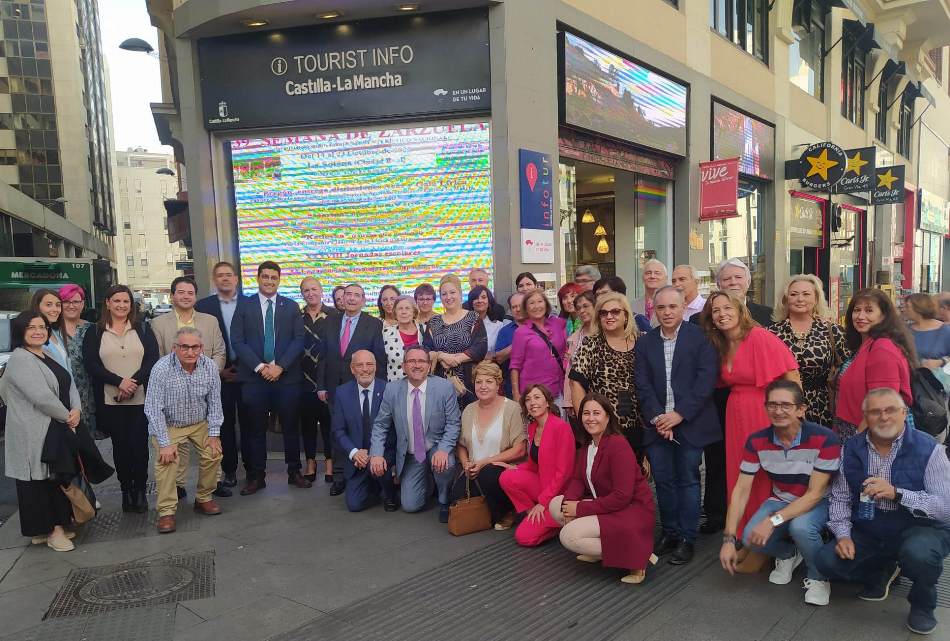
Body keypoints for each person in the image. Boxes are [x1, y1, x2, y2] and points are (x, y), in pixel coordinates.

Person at [816, 388, 950, 635]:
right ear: (865, 416)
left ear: (904, 413)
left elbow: (945, 508)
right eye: (875, 412)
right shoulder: (852, 448)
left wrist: (898, 493)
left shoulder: (930, 449)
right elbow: (840, 498)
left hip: (918, 527)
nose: (883, 417)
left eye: (890, 410)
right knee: (826, 561)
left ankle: (922, 605)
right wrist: (843, 535)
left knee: (920, 554)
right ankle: (883, 568)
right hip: (871, 527)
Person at [720, 380, 841, 605]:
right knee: (748, 537)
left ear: (801, 409)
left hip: (820, 502)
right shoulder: (756, 441)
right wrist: (728, 538)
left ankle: (818, 576)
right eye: (772, 405)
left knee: (801, 527)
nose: (778, 411)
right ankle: (788, 553)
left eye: (786, 405)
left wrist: (772, 521)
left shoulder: (825, 439)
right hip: (781, 499)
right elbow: (741, 490)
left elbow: (815, 494)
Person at [700, 289, 800, 542]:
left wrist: (792, 416)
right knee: (740, 473)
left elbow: (792, 374)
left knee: (765, 474)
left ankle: (768, 538)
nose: (722, 314)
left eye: (727, 308)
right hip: (735, 413)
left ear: (740, 310)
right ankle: (746, 535)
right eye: (716, 311)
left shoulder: (758, 337)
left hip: (763, 411)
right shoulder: (721, 345)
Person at [634, 286, 720, 565]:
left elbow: (705, 382)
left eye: (673, 307)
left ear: (684, 307)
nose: (667, 312)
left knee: (688, 480)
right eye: (661, 308)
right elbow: (642, 384)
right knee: (664, 481)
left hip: (691, 423)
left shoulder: (701, 338)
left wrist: (679, 415)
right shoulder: (645, 343)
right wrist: (660, 417)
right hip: (657, 424)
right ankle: (669, 532)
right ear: (654, 310)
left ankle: (686, 537)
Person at [551, 393, 655, 584]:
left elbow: (622, 497)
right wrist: (568, 505)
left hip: (631, 510)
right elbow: (577, 480)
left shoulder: (618, 445)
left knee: (569, 537)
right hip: (609, 504)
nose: (590, 418)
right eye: (586, 413)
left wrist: (579, 509)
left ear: (608, 417)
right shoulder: (588, 445)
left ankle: (636, 555)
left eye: (596, 413)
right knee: (556, 505)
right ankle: (603, 550)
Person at [2, 312, 81, 551]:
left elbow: (69, 382)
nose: (38, 331)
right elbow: (40, 396)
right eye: (31, 327)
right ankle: (54, 531)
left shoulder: (44, 353)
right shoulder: (20, 358)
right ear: (20, 331)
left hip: (54, 426)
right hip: (33, 431)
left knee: (53, 477)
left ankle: (47, 527)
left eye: (42, 326)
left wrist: (77, 408)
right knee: (40, 480)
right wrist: (67, 416)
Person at [230, 261, 308, 495]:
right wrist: (259, 367)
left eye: (274, 277)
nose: (269, 281)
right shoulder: (245, 306)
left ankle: (294, 471)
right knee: (255, 429)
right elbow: (238, 341)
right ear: (258, 278)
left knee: (291, 427)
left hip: (286, 378)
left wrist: (280, 367)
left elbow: (298, 340)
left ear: (279, 280)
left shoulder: (291, 306)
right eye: (265, 277)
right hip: (255, 379)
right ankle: (256, 476)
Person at [83, 284, 159, 512]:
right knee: (121, 447)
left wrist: (133, 382)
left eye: (125, 301)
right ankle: (126, 490)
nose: (121, 305)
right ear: (107, 303)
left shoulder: (143, 329)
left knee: (140, 447)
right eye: (116, 301)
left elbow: (152, 359)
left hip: (141, 398)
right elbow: (91, 364)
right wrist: (119, 382)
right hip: (110, 400)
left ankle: (140, 491)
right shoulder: (95, 332)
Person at [150, 276, 227, 498]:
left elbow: (220, 351)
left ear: (195, 296)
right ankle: (177, 487)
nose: (185, 296)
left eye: (190, 292)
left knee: (212, 447)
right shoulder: (159, 323)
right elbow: (157, 355)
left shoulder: (209, 320)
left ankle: (209, 491)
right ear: (173, 296)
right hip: (172, 395)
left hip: (201, 387)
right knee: (173, 452)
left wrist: (210, 370)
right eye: (180, 292)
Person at [145, 327, 224, 534]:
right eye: (184, 347)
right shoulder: (161, 368)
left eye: (195, 347)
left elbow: (215, 402)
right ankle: (167, 511)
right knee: (167, 461)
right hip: (170, 424)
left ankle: (204, 497)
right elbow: (153, 409)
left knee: (214, 453)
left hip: (199, 422)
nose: (190, 352)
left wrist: (214, 434)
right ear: (174, 348)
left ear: (202, 347)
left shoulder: (210, 367)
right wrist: (164, 443)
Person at [369, 345, 461, 521]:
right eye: (411, 361)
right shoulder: (392, 390)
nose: (417, 365)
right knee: (410, 506)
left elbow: (453, 423)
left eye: (421, 361)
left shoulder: (444, 388)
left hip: (435, 447)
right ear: (403, 366)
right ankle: (428, 481)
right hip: (411, 455)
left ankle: (444, 499)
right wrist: (376, 454)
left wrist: (443, 449)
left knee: (446, 464)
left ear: (429, 366)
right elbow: (381, 425)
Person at [316, 282, 386, 495]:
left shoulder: (373, 324)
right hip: (334, 388)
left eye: (357, 295)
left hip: (362, 386)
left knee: (363, 427)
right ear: (342, 298)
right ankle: (339, 475)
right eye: (348, 295)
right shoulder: (330, 321)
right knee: (337, 431)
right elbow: (323, 356)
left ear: (364, 300)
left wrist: (378, 389)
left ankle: (365, 469)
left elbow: (379, 358)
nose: (352, 299)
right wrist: (320, 385)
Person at [768, 275, 850, 427]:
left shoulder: (832, 331)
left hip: (821, 405)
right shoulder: (771, 333)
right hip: (783, 405)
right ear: (785, 299)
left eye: (806, 294)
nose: (800, 299)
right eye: (793, 294)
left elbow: (848, 367)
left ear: (817, 298)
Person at [498, 384, 575, 546]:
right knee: (506, 477)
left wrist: (543, 502)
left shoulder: (561, 428)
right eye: (528, 399)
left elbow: (564, 473)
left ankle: (556, 523)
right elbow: (534, 465)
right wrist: (514, 467)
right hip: (543, 484)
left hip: (559, 494)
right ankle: (532, 513)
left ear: (547, 402)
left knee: (524, 537)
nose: (532, 402)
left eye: (537, 397)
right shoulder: (533, 427)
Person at [834, 288, 915, 442]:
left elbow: (883, 407)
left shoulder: (882, 348)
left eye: (869, 310)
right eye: (857, 310)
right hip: (856, 429)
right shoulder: (865, 345)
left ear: (883, 316)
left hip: (871, 435)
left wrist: (858, 443)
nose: (860, 316)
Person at [452, 361, 525, 529]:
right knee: (456, 494)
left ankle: (508, 511)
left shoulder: (512, 408)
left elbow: (520, 449)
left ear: (498, 384)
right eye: (479, 382)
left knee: (488, 475)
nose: (483, 386)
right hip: (474, 468)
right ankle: (489, 512)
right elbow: (461, 445)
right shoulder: (469, 410)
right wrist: (466, 463)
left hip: (500, 468)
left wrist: (484, 462)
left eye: (489, 381)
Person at [195, 261, 247, 489]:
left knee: (250, 424)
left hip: (248, 374)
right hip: (218, 376)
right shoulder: (203, 306)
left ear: (236, 279)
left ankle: (254, 470)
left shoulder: (250, 303)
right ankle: (229, 471)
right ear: (214, 280)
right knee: (222, 425)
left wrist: (246, 369)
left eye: (229, 275)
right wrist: (219, 370)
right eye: (220, 275)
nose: (225, 279)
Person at [569, 293, 640, 454]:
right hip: (605, 425)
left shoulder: (641, 341)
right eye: (603, 312)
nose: (609, 316)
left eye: (615, 311)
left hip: (638, 423)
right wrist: (588, 420)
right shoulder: (591, 344)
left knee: (636, 473)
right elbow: (576, 383)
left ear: (626, 315)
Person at [331, 349, 397, 512]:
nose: (365, 369)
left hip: (382, 455)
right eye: (359, 365)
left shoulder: (389, 390)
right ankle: (373, 486)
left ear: (375, 367)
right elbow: (338, 431)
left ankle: (390, 493)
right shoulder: (342, 393)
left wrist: (377, 454)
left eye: (369, 364)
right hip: (357, 460)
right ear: (352, 369)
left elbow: (395, 430)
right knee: (354, 505)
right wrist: (354, 452)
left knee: (379, 470)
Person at [425, 274, 487, 406]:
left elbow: (480, 347)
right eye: (444, 294)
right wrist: (442, 356)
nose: (448, 297)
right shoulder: (433, 322)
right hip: (439, 383)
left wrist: (456, 359)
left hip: (469, 382)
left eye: (452, 292)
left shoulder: (473, 317)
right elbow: (426, 350)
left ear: (460, 293)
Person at [299, 276, 337, 483]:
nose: (310, 293)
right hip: (303, 378)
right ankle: (311, 462)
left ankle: (330, 462)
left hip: (326, 378)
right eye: (306, 290)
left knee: (329, 423)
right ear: (302, 294)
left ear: (321, 291)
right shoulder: (297, 316)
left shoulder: (334, 315)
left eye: (314, 289)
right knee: (307, 424)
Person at [510, 289, 567, 403]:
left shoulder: (558, 323)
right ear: (526, 308)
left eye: (540, 301)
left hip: (558, 390)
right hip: (533, 393)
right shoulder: (521, 332)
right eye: (532, 303)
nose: (536, 306)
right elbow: (515, 366)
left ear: (546, 304)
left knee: (558, 421)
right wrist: (516, 394)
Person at [59, 284, 97, 437]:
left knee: (87, 443)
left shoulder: (93, 329)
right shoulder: (50, 330)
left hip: (88, 394)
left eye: (75, 302)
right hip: (62, 394)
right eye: (66, 302)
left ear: (82, 304)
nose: (71, 306)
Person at [708, 257, 773, 326]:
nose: (733, 282)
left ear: (748, 282)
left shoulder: (768, 315)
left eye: (738, 277)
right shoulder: (703, 319)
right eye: (726, 279)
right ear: (718, 285)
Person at [561, 290, 596, 416]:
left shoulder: (605, 334)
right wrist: (568, 401)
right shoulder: (574, 337)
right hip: (577, 397)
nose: (581, 311)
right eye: (578, 308)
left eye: (586, 306)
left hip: (600, 397)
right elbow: (569, 372)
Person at [382, 295, 425, 382]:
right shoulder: (385, 333)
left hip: (422, 386)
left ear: (414, 312)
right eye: (400, 308)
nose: (403, 312)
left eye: (407, 308)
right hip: (395, 387)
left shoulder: (424, 330)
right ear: (395, 312)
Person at [904, 293, 950, 371]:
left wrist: (941, 361)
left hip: (935, 380)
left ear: (918, 308)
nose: (904, 309)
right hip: (909, 378)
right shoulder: (905, 330)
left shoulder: (945, 331)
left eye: (907, 306)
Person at [494, 292, 525, 397]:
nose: (518, 309)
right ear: (511, 310)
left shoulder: (539, 327)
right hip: (512, 389)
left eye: (521, 306)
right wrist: (518, 342)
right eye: (514, 307)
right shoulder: (504, 331)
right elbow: (499, 358)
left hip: (538, 386)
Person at [30, 289, 69, 372]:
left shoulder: (56, 332)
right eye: (48, 305)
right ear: (37, 306)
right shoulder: (33, 336)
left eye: (58, 305)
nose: (55, 309)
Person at [467, 285, 507, 355]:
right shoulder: (463, 323)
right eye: (476, 298)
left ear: (489, 302)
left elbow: (499, 353)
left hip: (489, 364)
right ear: (471, 303)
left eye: (483, 297)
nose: (479, 300)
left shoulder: (499, 326)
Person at [631, 258, 668, 325]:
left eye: (657, 273)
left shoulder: (672, 305)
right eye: (648, 273)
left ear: (666, 278)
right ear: (642, 278)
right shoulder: (632, 306)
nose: (652, 276)